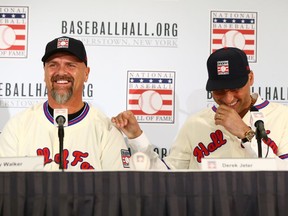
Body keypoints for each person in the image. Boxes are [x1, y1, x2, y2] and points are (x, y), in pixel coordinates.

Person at [112, 47, 288, 169]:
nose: (228, 98)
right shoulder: (196, 123)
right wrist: (137, 137)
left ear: (250, 78)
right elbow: (167, 178)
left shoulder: (282, 116)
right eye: (219, 90)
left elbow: (284, 173)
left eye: (235, 88)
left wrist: (245, 133)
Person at [0, 36, 131, 171]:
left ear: (86, 74)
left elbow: (118, 189)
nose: (61, 72)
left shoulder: (106, 130)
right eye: (53, 65)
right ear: (44, 72)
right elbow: (6, 187)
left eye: (70, 65)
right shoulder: (18, 127)